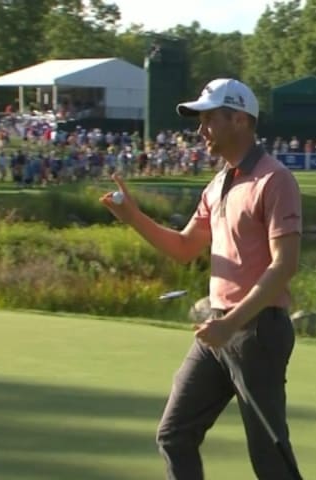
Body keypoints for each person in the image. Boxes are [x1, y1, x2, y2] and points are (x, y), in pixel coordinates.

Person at [100, 78, 303, 479]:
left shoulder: (274, 179)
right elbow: (184, 248)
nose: (201, 129)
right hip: (219, 330)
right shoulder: (218, 184)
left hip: (257, 331)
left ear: (241, 120)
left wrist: (231, 323)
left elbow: (285, 265)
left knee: (269, 456)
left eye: (210, 118)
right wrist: (134, 218)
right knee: (174, 434)